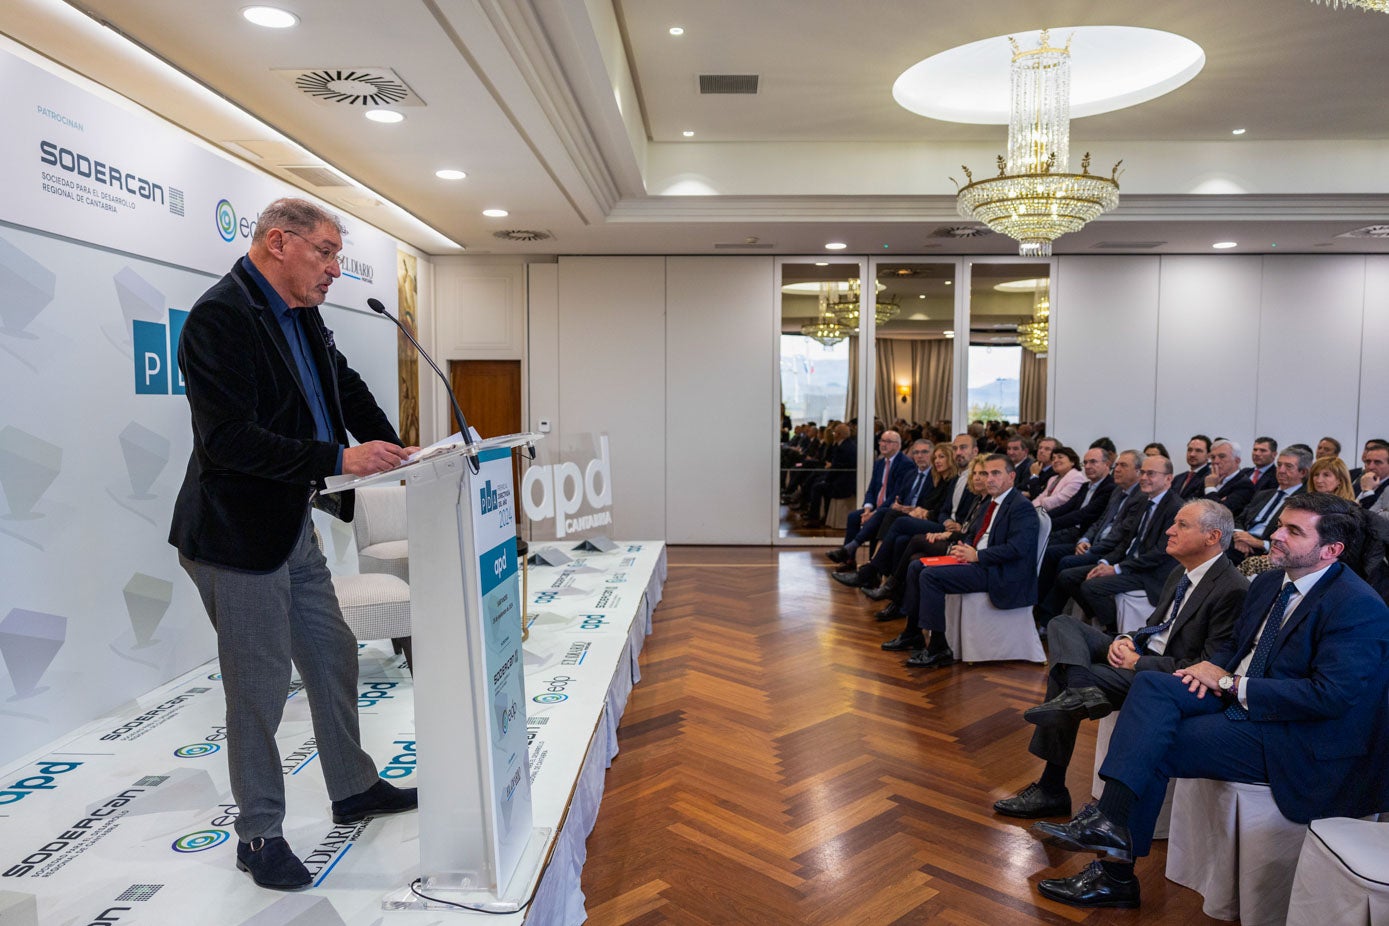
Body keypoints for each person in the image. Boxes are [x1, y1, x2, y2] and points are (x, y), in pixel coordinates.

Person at [169, 198, 419, 891]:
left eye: (338, 256)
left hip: (289, 522)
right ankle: (258, 834)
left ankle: (352, 786)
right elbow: (226, 442)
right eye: (326, 253)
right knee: (259, 684)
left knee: (331, 648)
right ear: (279, 243)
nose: (335, 269)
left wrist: (395, 447)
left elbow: (343, 389)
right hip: (232, 534)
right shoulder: (220, 317)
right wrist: (339, 460)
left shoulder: (304, 314)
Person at [1031, 493, 1389, 910]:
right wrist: (1203, 670)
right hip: (1240, 699)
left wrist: (1229, 683)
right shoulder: (1273, 582)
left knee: (1154, 742)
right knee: (1151, 687)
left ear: (1332, 550)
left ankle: (1115, 871)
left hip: (1295, 734)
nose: (1275, 536)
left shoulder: (1359, 606)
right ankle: (1110, 826)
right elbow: (1235, 648)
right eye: (1280, 525)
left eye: (1294, 531)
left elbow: (1330, 697)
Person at [993, 500, 1247, 819]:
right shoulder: (1181, 573)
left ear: (1212, 537)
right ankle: (1080, 690)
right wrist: (1127, 639)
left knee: (1064, 673)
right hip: (1142, 656)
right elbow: (1156, 626)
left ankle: (1052, 786)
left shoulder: (1232, 589)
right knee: (1063, 624)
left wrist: (1136, 663)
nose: (1169, 530)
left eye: (1182, 525)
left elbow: (1204, 667)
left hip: (1162, 680)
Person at [881, 454, 1040, 668]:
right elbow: (970, 534)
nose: (989, 478)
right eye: (986, 473)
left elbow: (1018, 549)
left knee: (930, 576)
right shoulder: (990, 502)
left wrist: (977, 556)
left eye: (996, 473)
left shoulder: (1021, 507)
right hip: (977, 562)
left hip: (999, 572)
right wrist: (961, 548)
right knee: (917, 565)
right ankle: (912, 633)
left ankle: (938, 647)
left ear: (1011, 477)